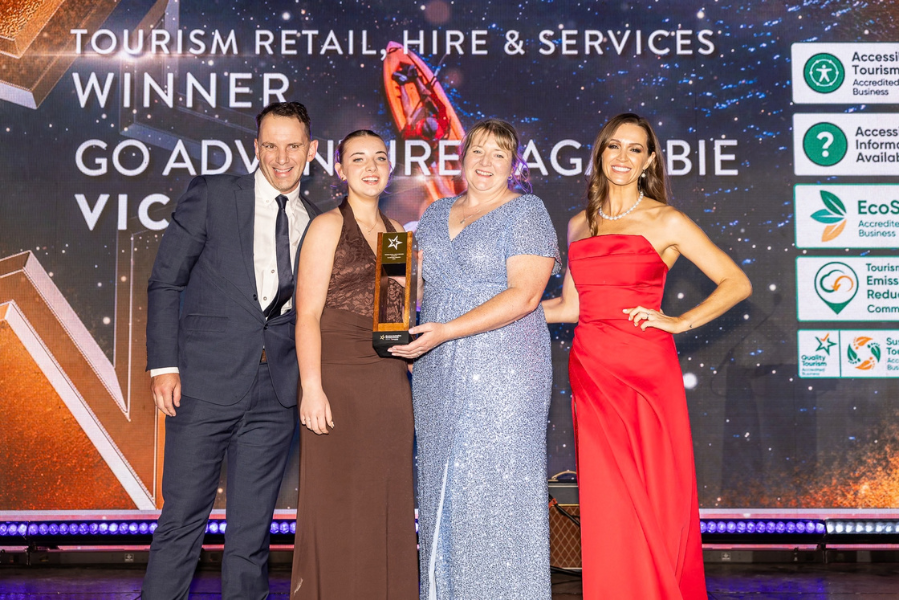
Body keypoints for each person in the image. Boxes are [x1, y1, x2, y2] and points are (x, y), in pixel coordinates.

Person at [542, 113, 752, 600]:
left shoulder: (666, 219)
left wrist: (679, 322)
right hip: (592, 372)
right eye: (613, 146)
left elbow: (737, 282)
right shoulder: (578, 224)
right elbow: (570, 307)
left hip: (646, 370)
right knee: (609, 498)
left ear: (650, 160)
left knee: (655, 490)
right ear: (599, 154)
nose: (622, 157)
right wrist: (496, 314)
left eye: (634, 149)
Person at [142, 101, 320, 600]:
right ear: (255, 146)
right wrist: (164, 366)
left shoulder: (320, 220)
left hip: (274, 395)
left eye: (292, 146)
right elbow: (164, 280)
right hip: (201, 384)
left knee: (250, 536)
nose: (281, 157)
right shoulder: (214, 194)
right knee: (181, 520)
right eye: (270, 145)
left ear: (311, 150)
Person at [390, 118, 560, 600]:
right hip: (436, 368)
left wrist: (445, 330)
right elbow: (414, 288)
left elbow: (525, 297)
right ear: (462, 158)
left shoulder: (527, 211)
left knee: (493, 488)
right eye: (477, 151)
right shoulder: (436, 210)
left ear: (514, 164)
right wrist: (397, 331)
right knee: (445, 485)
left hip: (505, 367)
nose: (485, 162)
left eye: (498, 154)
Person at [289, 130, 418, 599]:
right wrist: (312, 387)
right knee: (337, 499)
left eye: (379, 158)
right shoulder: (326, 226)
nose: (371, 167)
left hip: (386, 382)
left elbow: (393, 318)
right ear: (340, 171)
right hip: (336, 377)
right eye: (358, 159)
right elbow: (306, 315)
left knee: (386, 497)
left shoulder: (399, 237)